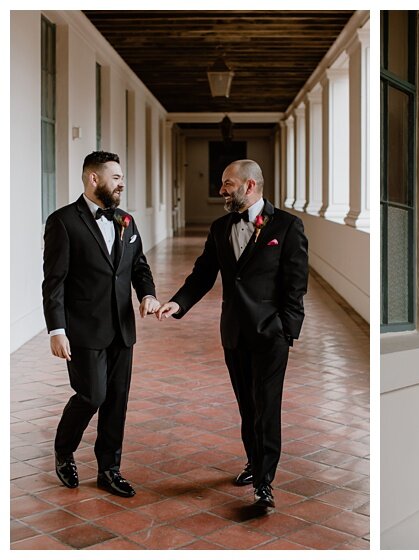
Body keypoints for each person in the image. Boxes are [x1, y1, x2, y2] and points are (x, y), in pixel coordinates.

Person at [155, 159, 308, 509]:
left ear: (250, 185)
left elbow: (296, 285)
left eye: (228, 183)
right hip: (234, 333)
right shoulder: (220, 227)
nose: (221, 190)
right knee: (247, 407)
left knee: (266, 409)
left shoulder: (287, 226)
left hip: (271, 334)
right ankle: (254, 464)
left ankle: (265, 484)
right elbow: (203, 274)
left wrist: (286, 330)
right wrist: (177, 304)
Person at [43, 151, 160, 498]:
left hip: (122, 327)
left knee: (116, 401)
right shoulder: (63, 221)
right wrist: (56, 330)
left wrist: (147, 295)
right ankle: (64, 450)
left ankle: (109, 469)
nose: (122, 183)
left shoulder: (125, 220)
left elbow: (138, 265)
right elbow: (54, 282)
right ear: (93, 179)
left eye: (122, 177)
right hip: (83, 329)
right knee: (92, 395)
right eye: (116, 177)